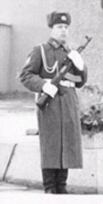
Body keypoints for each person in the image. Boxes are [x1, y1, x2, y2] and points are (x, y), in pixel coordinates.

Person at [20, 11, 87, 194]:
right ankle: (50, 187)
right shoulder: (40, 50)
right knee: (51, 143)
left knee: (66, 143)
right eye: (59, 27)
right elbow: (25, 75)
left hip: (69, 101)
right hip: (50, 101)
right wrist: (43, 85)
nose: (63, 31)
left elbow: (81, 81)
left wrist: (81, 66)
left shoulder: (71, 52)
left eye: (66, 27)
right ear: (52, 29)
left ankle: (62, 186)